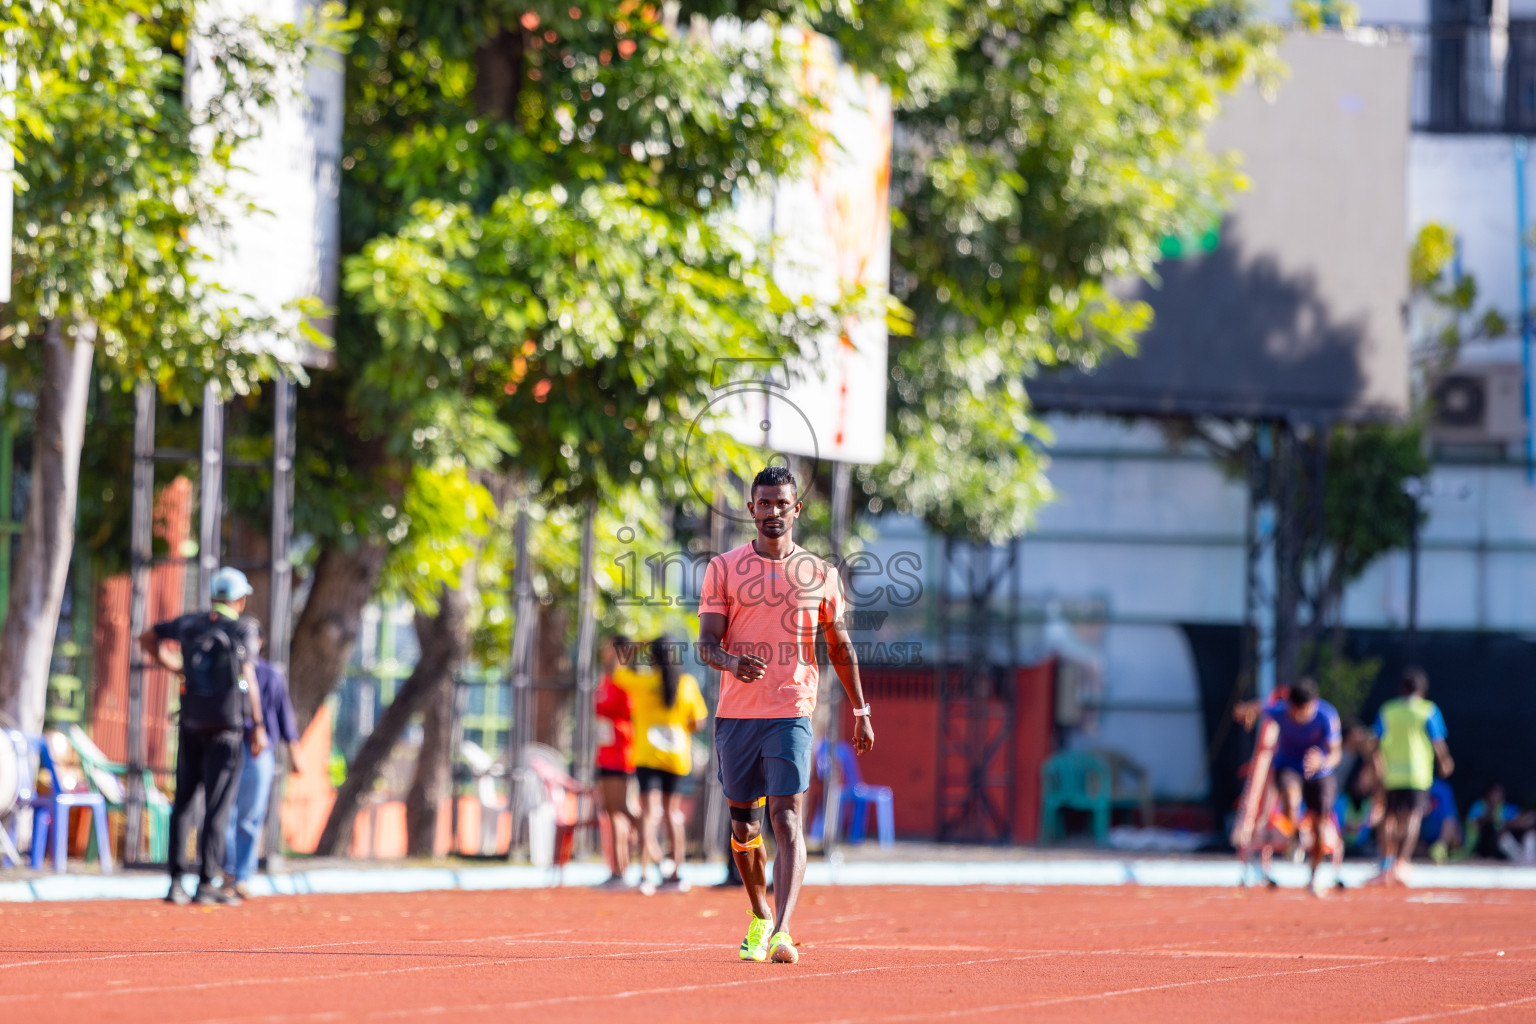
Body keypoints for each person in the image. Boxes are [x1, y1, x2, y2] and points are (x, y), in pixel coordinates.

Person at [698, 465, 874, 964]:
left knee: (787, 816)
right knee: (745, 830)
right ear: (751, 508)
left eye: (782, 504)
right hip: (736, 715)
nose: (773, 512)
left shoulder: (821, 574)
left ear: (796, 510)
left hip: (792, 709)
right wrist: (734, 662)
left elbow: (840, 647)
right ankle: (758, 915)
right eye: (764, 503)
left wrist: (861, 709)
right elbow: (707, 644)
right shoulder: (725, 569)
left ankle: (782, 929)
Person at [138, 566, 266, 906]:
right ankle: (207, 883)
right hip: (226, 728)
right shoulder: (244, 628)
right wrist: (259, 724)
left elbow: (146, 638)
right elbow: (248, 677)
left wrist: (173, 666)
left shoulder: (190, 624)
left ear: (213, 595)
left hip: (191, 723)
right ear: (239, 599)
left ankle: (176, 883)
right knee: (217, 807)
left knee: (184, 803)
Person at [223, 623, 304, 898]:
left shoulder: (272, 674)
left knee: (250, 816)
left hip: (258, 751)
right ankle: (226, 870)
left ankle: (242, 876)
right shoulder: (224, 671)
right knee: (224, 813)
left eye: (251, 639)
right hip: (225, 747)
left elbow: (285, 715)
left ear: (261, 640)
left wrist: (295, 751)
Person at [622, 636, 708, 895]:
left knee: (649, 813)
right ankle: (676, 873)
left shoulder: (643, 682)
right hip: (677, 756)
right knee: (672, 813)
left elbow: (618, 673)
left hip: (648, 755)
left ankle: (645, 874)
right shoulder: (688, 684)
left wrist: (638, 645)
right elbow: (699, 722)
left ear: (654, 657)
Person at [1368, 667, 1454, 885]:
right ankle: (1401, 863)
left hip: (1390, 773)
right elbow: (1437, 741)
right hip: (1417, 773)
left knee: (1389, 818)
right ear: (1422, 690)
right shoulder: (1428, 710)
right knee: (1412, 817)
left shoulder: (1387, 710)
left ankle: (1386, 863)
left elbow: (1375, 743)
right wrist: (1445, 761)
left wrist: (1375, 770)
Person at [1264, 676, 1342, 895]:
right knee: (1290, 794)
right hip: (1288, 766)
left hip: (1320, 772)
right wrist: (1245, 711)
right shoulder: (1280, 712)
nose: (1298, 716)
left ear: (1313, 704)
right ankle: (1296, 834)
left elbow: (1336, 753)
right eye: (1294, 711)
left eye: (1303, 711)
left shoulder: (1327, 716)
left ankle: (1314, 876)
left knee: (1319, 829)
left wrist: (1322, 761)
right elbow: (1259, 708)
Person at [593, 635, 640, 890]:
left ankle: (649, 857)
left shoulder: (626, 680)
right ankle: (617, 870)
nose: (603, 649)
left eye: (608, 646)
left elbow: (632, 715)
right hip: (605, 753)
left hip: (622, 753)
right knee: (611, 812)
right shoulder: (605, 679)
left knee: (623, 810)